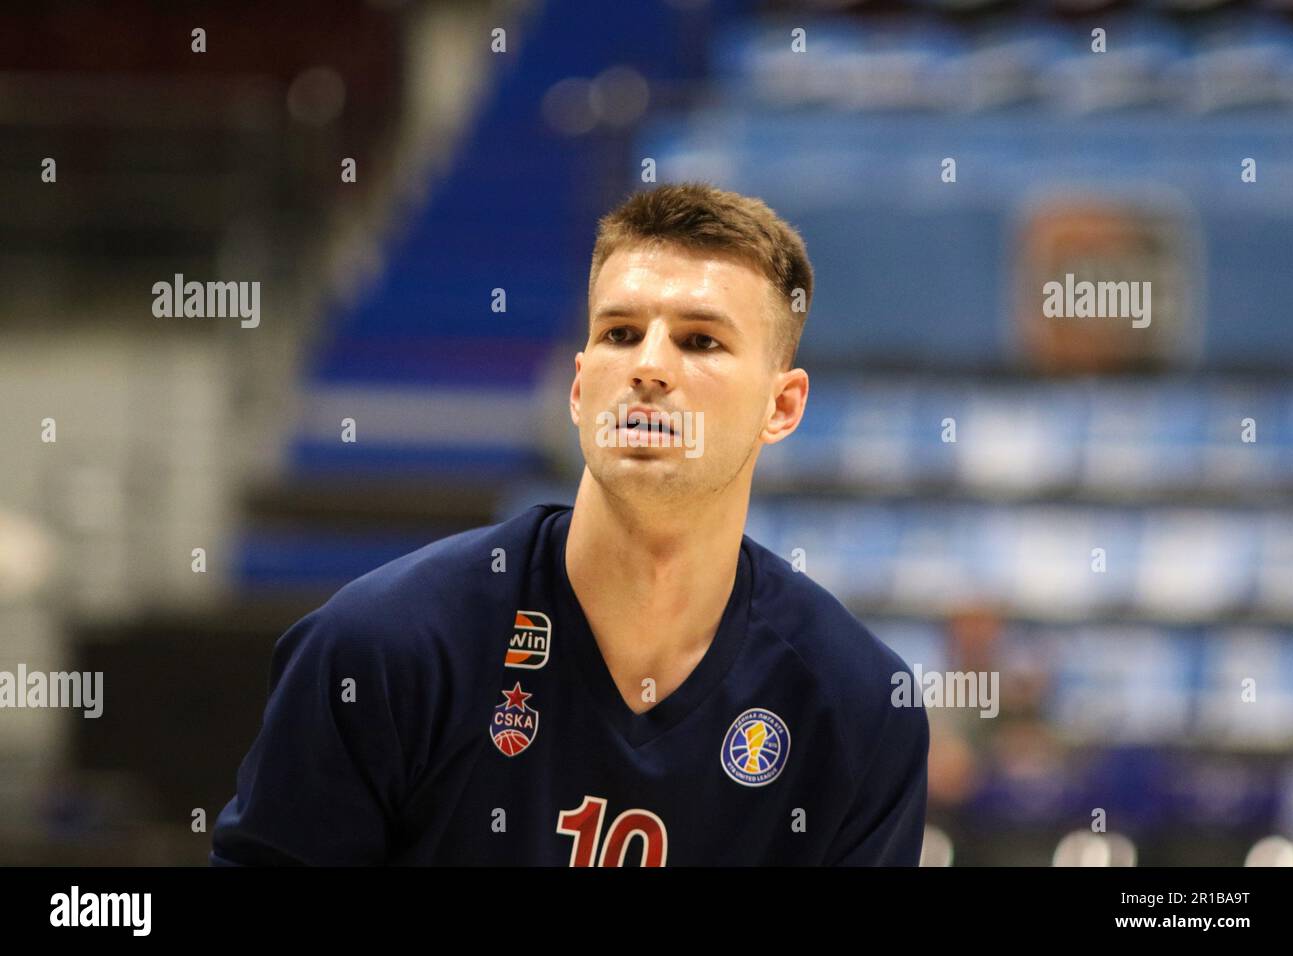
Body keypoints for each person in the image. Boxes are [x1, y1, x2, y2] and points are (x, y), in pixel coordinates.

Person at [210, 182, 928, 865]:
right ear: (580, 389)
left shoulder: (856, 709)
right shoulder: (382, 649)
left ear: (783, 406)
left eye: (700, 341)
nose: (649, 366)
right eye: (620, 333)